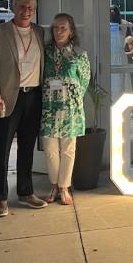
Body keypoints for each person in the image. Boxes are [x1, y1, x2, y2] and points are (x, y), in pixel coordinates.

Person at [0, 0, 47, 218]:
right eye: (22, 7)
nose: (26, 11)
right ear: (13, 7)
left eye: (30, 7)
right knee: (1, 150)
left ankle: (26, 192)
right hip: (8, 98)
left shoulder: (39, 32)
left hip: (34, 97)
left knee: (27, 148)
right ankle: (0, 198)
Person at [41, 13, 91, 205]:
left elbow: (84, 81)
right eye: (55, 28)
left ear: (71, 32)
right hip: (48, 108)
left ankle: (64, 187)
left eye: (63, 28)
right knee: (50, 149)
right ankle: (53, 184)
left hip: (70, 108)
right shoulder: (45, 53)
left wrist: (70, 96)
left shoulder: (79, 54)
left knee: (68, 149)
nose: (58, 31)